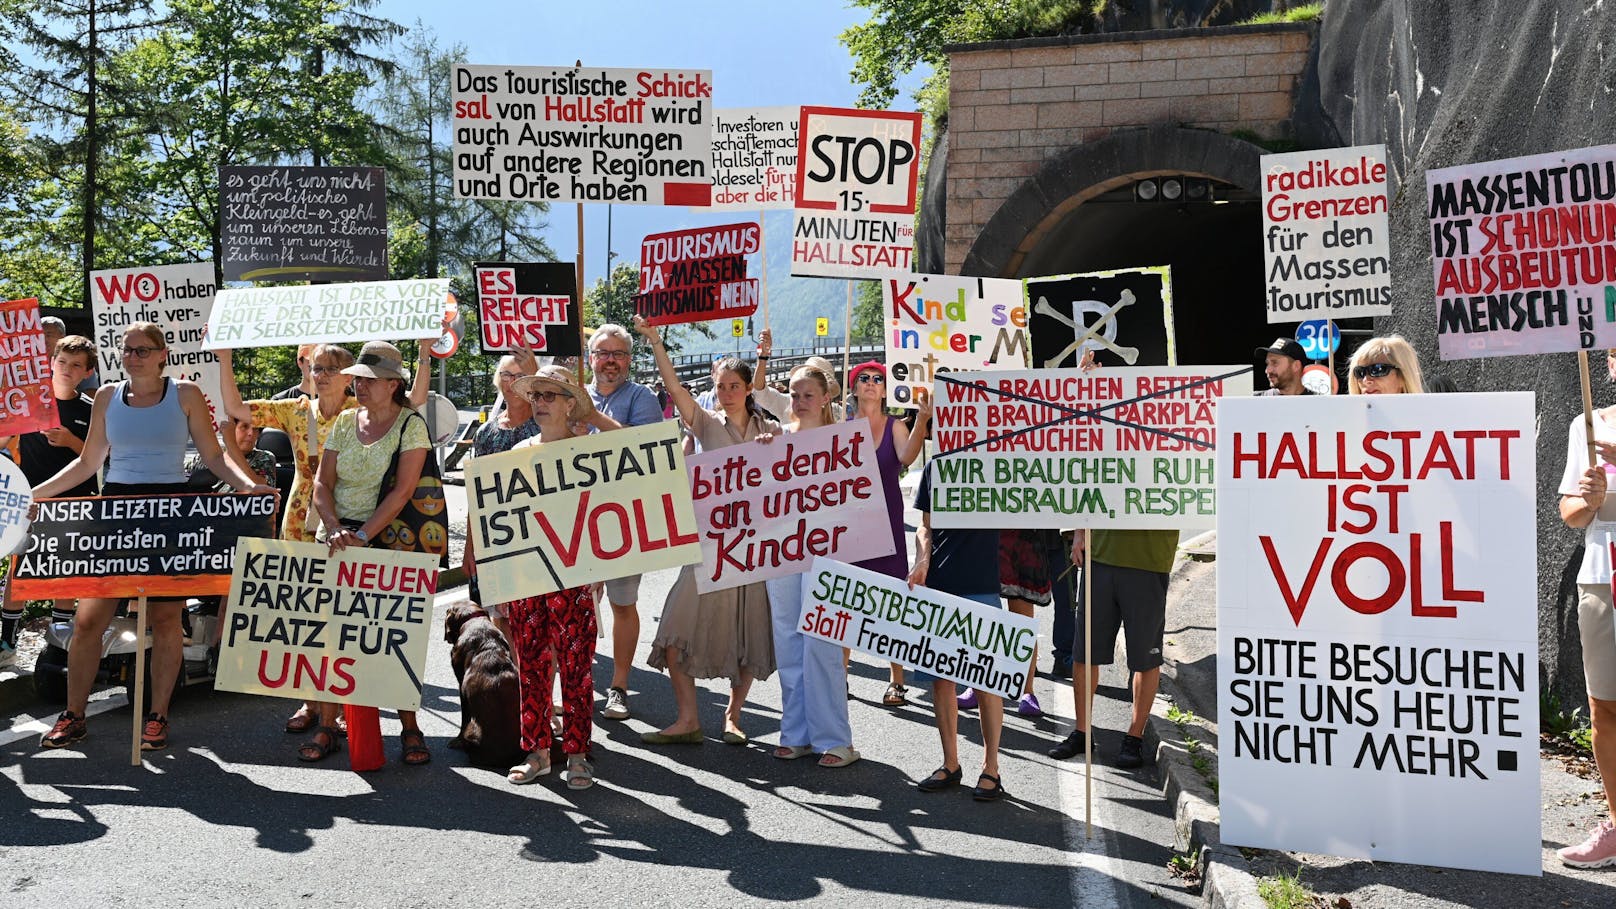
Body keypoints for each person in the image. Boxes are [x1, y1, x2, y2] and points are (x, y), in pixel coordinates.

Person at [36, 322, 272, 751]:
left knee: (166, 621)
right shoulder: (107, 396)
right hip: (117, 512)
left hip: (169, 514)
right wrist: (34, 495)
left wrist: (247, 486)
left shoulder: (184, 395)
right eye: (127, 351)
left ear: (162, 354)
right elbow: (88, 463)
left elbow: (213, 454)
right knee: (89, 621)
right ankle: (73, 716)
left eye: (142, 351)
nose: (133, 358)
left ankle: (158, 716)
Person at [635, 315, 778, 745]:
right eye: (721, 386)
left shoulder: (770, 430)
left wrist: (775, 450)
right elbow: (675, 389)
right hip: (708, 543)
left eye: (735, 385)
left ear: (749, 388)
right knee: (676, 625)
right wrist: (657, 342)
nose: (728, 392)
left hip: (753, 547)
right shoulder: (704, 423)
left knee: (746, 635)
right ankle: (688, 719)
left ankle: (734, 717)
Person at [302, 342, 433, 765]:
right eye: (357, 377)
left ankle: (410, 728)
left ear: (394, 384)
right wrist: (336, 527)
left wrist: (362, 535)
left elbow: (403, 491)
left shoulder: (411, 424)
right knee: (330, 636)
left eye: (369, 379)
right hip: (336, 539)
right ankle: (328, 723)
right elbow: (322, 483)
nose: (359, 385)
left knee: (391, 636)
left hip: (386, 539)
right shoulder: (343, 420)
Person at [219, 343, 360, 734]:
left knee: (344, 614)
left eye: (332, 368)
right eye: (317, 367)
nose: (323, 374)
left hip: (346, 518)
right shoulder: (296, 410)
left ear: (350, 376)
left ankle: (347, 703)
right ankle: (310, 700)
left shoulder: (363, 414)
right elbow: (238, 410)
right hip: (299, 520)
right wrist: (226, 358)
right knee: (303, 615)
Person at [502, 366, 621, 788]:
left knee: (576, 667)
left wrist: (600, 570)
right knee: (531, 664)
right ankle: (537, 750)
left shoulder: (592, 452)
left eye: (549, 395)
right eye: (535, 396)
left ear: (571, 403)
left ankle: (577, 753)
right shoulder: (516, 456)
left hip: (575, 575)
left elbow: (608, 517)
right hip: (528, 577)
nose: (539, 403)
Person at [763, 365, 859, 767]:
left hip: (828, 550)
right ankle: (795, 732)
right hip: (781, 547)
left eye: (807, 394)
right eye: (794, 394)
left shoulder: (844, 442)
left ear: (826, 398)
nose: (800, 402)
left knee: (822, 639)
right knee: (787, 638)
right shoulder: (775, 440)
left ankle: (835, 739)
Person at [908, 462, 1007, 800]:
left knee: (986, 680)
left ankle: (991, 768)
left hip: (981, 583)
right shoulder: (935, 466)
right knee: (941, 677)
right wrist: (922, 561)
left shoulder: (999, 462)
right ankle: (951, 762)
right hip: (940, 583)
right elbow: (925, 526)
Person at [584, 323, 666, 722]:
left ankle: (618, 685)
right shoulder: (575, 395)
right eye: (603, 353)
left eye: (618, 354)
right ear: (590, 358)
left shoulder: (641, 397)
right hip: (577, 518)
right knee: (580, 603)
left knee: (621, 603)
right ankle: (577, 680)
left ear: (629, 361)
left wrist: (590, 418)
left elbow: (643, 445)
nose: (610, 360)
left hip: (623, 519)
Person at [1, 335, 99, 668]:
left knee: (66, 575)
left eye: (76, 365)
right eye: (61, 362)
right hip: (29, 502)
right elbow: (5, 439)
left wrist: (71, 441)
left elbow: (100, 456)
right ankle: (6, 643)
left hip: (76, 504)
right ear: (50, 362)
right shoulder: (28, 402)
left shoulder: (92, 408)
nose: (67, 369)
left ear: (87, 372)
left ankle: (59, 646)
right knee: (20, 572)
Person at [1556, 348, 1616, 868]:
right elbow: (1570, 513)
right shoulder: (1589, 423)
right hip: (1601, 574)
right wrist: (1590, 500)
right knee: (1605, 707)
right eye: (1615, 352)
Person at [846, 361, 932, 707]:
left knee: (890, 602)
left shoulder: (896, 426)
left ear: (885, 389)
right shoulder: (841, 425)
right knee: (846, 599)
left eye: (877, 379)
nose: (870, 383)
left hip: (887, 525)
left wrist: (922, 419)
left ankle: (896, 680)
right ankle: (841, 676)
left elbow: (907, 457)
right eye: (863, 379)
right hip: (849, 527)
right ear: (854, 388)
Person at [463, 352, 539, 643]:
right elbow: (475, 493)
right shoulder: (485, 433)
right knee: (500, 618)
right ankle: (514, 683)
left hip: (536, 536)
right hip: (496, 538)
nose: (512, 382)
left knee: (533, 623)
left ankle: (534, 685)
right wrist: (471, 547)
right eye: (506, 375)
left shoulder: (545, 427)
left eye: (520, 376)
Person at [751, 329, 844, 422]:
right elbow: (760, 393)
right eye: (795, 396)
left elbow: (760, 394)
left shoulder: (839, 413)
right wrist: (762, 358)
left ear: (825, 397)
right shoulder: (788, 403)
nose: (801, 401)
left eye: (809, 395)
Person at [1345, 334, 1424, 395]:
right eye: (1360, 372)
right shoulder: (1347, 416)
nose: (1366, 380)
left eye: (1378, 369)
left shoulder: (1427, 415)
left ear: (1403, 376)